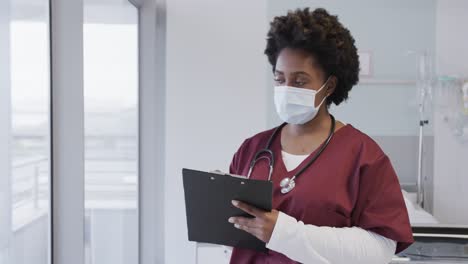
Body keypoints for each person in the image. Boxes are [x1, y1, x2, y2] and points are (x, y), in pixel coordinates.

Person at [227, 7, 414, 264]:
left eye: (300, 81)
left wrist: (284, 234)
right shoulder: (253, 148)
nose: (286, 89)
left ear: (331, 85)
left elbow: (379, 250)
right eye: (280, 79)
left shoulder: (363, 156)